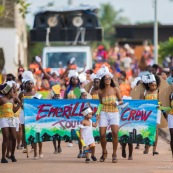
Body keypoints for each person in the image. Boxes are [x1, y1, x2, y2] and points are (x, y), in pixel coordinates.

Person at [97, 65, 123, 163]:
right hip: (104, 112)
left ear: (111, 79)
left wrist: (116, 103)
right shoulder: (100, 92)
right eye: (105, 78)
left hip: (114, 113)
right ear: (103, 80)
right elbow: (100, 104)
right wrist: (98, 113)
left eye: (109, 78)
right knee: (102, 134)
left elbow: (121, 101)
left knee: (115, 133)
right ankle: (104, 151)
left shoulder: (115, 89)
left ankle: (114, 153)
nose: (107, 80)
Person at [18, 71, 43, 159]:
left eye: (31, 84)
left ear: (33, 85)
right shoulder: (22, 94)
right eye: (28, 84)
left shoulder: (37, 95)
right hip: (24, 114)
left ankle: (38, 150)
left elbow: (41, 106)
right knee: (26, 132)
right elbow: (18, 104)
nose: (29, 85)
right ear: (25, 85)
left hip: (34, 115)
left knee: (36, 132)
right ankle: (27, 146)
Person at [0, 81, 21, 163]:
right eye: (12, 91)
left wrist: (20, 103)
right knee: (6, 137)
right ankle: (3, 157)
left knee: (13, 138)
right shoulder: (2, 99)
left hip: (11, 119)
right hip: (3, 119)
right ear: (8, 92)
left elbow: (14, 110)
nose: (14, 92)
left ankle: (12, 155)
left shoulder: (13, 100)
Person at [141, 74, 161, 155]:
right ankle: (147, 147)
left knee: (156, 130)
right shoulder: (145, 92)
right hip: (147, 113)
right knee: (147, 130)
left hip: (156, 112)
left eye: (155, 85)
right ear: (149, 85)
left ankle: (154, 149)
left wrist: (159, 105)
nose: (154, 87)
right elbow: (141, 103)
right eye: (152, 85)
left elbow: (160, 101)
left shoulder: (158, 92)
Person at [51, 85, 62, 154]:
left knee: (59, 135)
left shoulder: (61, 102)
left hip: (60, 120)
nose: (57, 97)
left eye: (58, 95)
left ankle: (59, 146)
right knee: (54, 135)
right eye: (55, 95)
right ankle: (55, 148)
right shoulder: (50, 102)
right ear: (53, 96)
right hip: (52, 121)